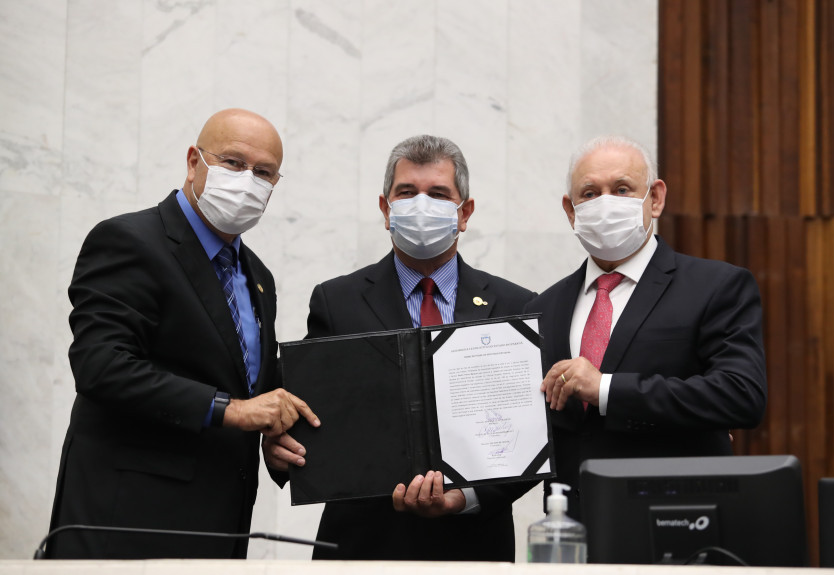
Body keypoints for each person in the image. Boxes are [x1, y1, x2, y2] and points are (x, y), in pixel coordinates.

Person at [47, 108, 319, 559]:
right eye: (233, 162)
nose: (248, 180)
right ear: (194, 161)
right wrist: (230, 411)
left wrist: (280, 438)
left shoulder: (259, 278)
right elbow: (102, 367)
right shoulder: (129, 240)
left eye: (264, 173)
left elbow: (256, 394)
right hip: (126, 529)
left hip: (218, 531)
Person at [264, 135, 536, 561]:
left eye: (438, 194)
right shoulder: (337, 301)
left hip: (473, 547)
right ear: (385, 208)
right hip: (361, 546)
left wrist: (465, 498)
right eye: (406, 192)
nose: (421, 204)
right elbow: (304, 413)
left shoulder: (515, 305)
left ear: (464, 213)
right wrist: (282, 449)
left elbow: (530, 434)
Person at [524, 135, 767, 517]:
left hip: (678, 518)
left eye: (622, 189)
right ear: (571, 211)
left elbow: (741, 395)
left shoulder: (715, 287)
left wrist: (604, 388)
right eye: (589, 193)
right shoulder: (543, 307)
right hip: (574, 531)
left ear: (655, 199)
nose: (605, 203)